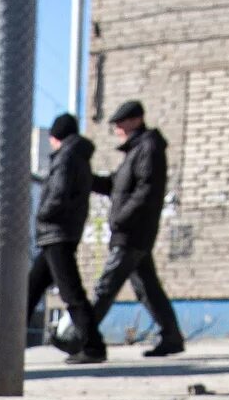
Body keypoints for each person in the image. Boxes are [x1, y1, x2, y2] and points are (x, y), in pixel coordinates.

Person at [89, 99, 186, 358]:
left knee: (106, 286)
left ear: (136, 120)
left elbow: (146, 190)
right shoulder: (136, 151)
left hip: (132, 231)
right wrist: (87, 180)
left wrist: (122, 218)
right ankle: (172, 336)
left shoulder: (148, 147)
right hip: (134, 230)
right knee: (147, 289)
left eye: (120, 122)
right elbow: (115, 185)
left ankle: (81, 338)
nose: (117, 128)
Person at [25, 112, 109, 364]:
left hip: (56, 233)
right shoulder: (78, 156)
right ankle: (11, 340)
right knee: (31, 288)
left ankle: (93, 346)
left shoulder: (67, 157)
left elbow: (59, 193)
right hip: (61, 232)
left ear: (55, 137)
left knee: (71, 293)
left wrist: (43, 214)